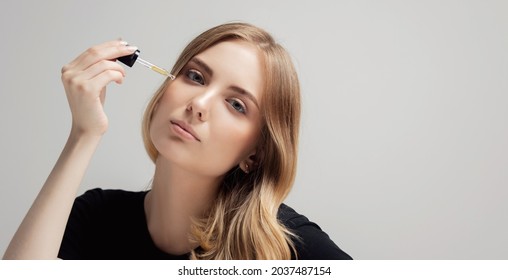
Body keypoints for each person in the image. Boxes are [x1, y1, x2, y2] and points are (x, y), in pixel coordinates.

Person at [3, 22, 352, 260]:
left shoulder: (286, 246)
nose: (198, 104)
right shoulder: (95, 218)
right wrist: (83, 135)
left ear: (256, 153)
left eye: (236, 104)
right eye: (196, 76)